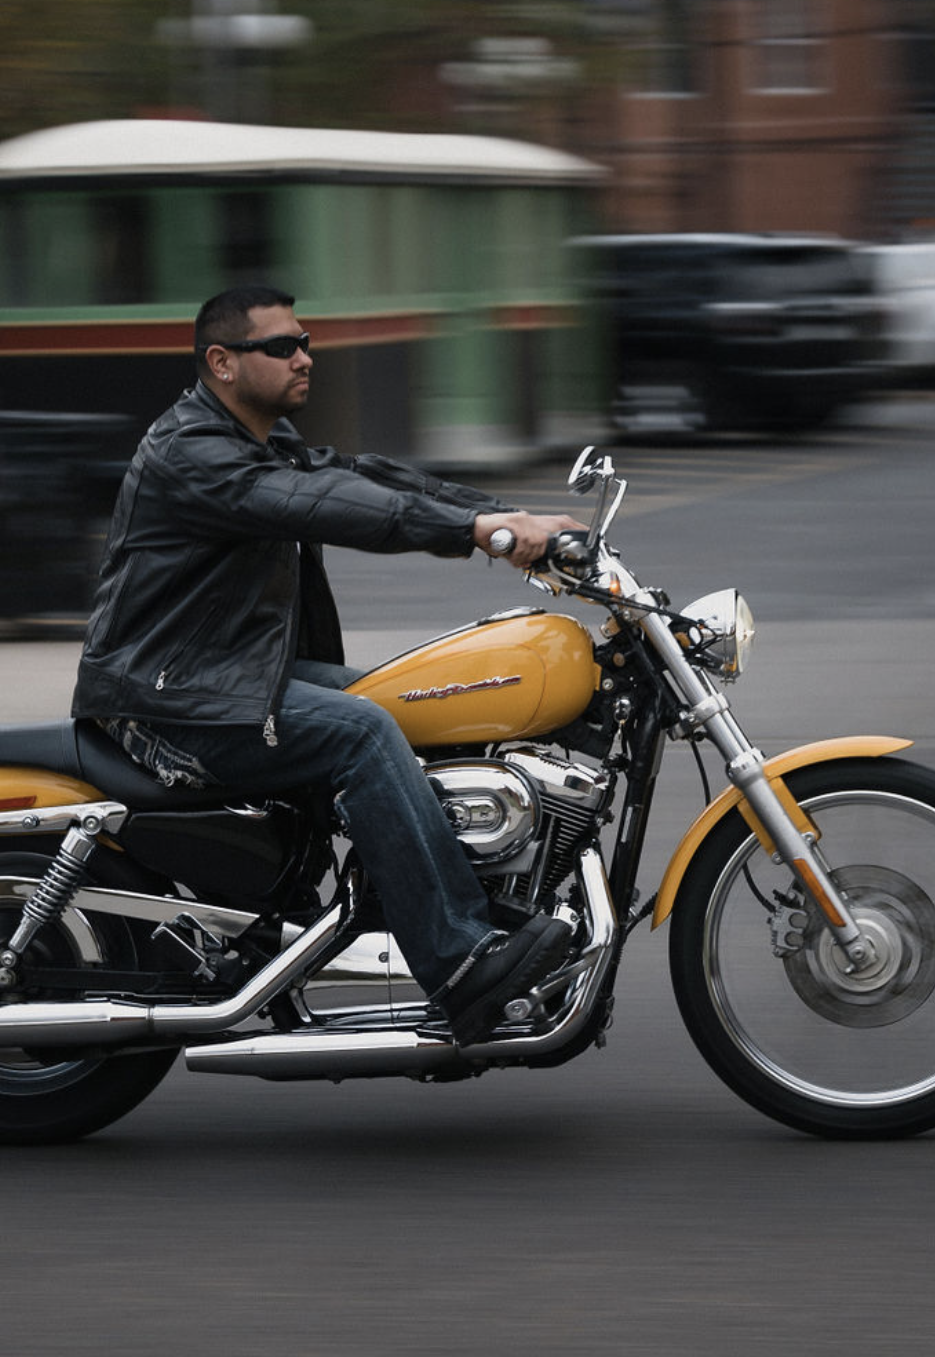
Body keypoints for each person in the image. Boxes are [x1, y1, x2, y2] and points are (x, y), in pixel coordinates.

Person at [72, 284, 584, 1044]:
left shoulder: (254, 441)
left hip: (227, 673)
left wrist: (507, 518)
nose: (304, 357)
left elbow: (373, 479)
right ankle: (460, 963)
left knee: (421, 701)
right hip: (167, 698)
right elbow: (333, 508)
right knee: (364, 732)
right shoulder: (195, 454)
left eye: (305, 342)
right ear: (222, 362)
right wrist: (477, 532)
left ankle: (419, 900)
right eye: (281, 347)